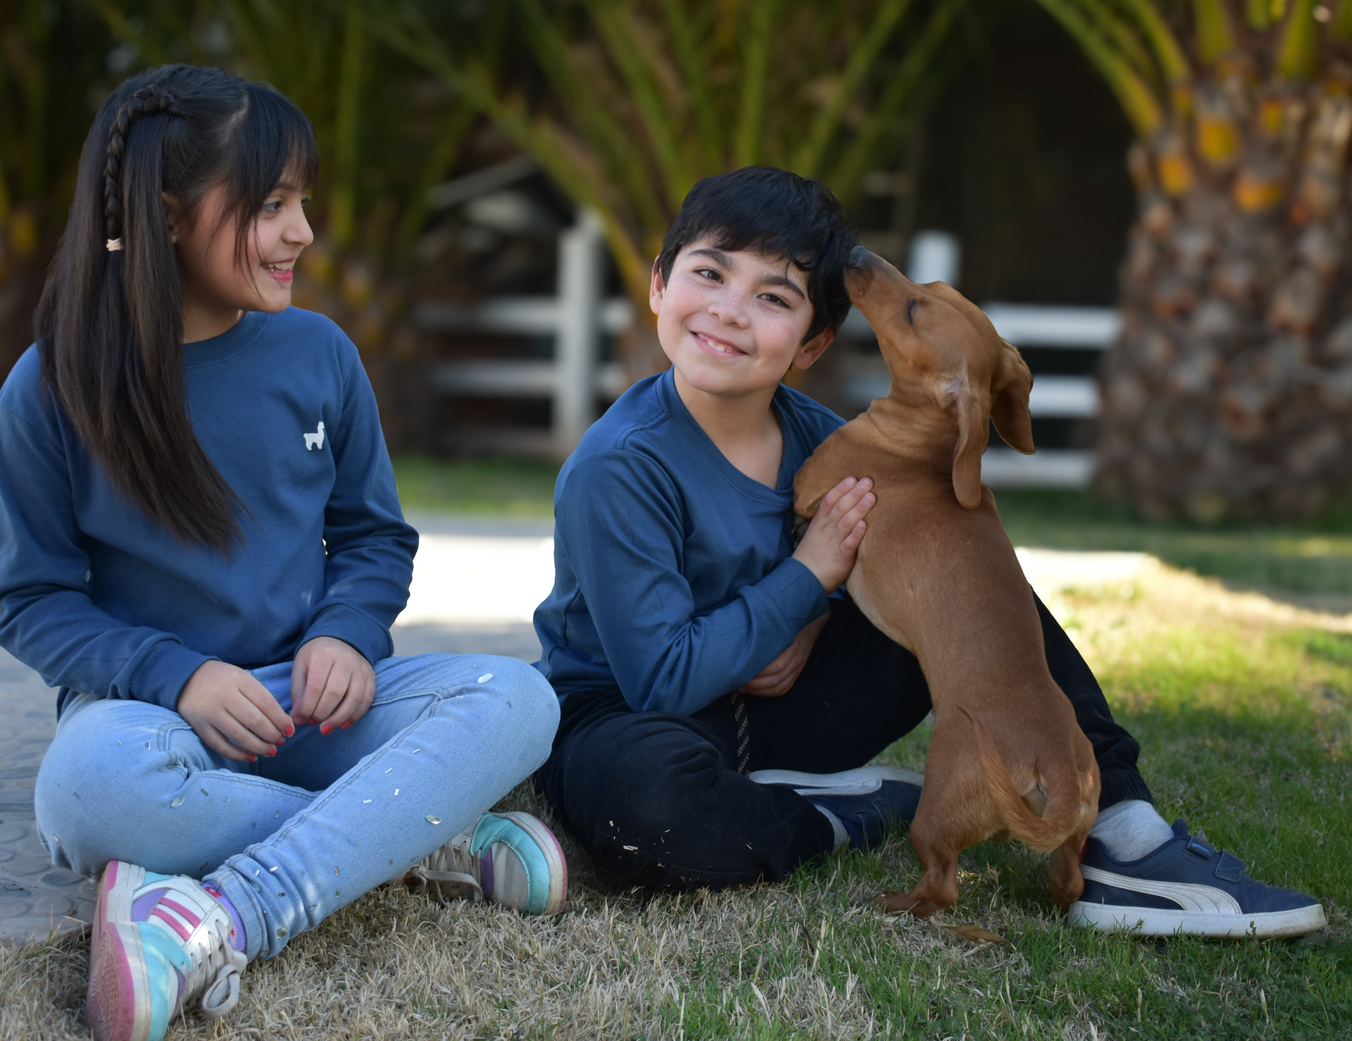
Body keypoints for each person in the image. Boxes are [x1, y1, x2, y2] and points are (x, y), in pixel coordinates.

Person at [532, 165, 1326, 938]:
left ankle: (1121, 826)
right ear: (658, 287)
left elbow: (891, 581)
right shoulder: (619, 466)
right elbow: (661, 676)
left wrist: (806, 617)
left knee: (976, 583)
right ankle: (837, 814)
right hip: (633, 715)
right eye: (708, 274)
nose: (729, 312)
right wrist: (804, 581)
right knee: (652, 811)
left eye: (772, 297)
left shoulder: (827, 443)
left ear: (812, 343)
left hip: (787, 705)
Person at [0, 65, 566, 1041]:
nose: (301, 231)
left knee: (519, 699)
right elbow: (30, 599)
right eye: (270, 205)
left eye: (302, 202)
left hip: (320, 704)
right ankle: (417, 841)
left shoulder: (319, 356)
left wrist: (345, 633)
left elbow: (374, 537)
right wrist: (178, 674)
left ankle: (221, 909)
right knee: (84, 790)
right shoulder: (51, 386)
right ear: (167, 216)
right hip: (154, 718)